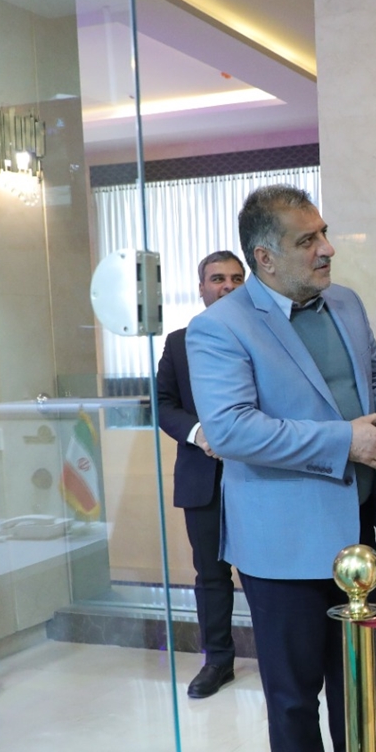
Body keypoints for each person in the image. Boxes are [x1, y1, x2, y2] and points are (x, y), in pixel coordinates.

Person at [186, 185, 376, 752]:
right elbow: (232, 429)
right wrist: (345, 441)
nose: (326, 249)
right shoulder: (220, 328)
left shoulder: (344, 302)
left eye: (323, 232)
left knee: (360, 667)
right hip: (282, 541)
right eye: (307, 240)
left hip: (356, 528)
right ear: (265, 257)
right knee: (293, 689)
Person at [156, 250, 247, 699]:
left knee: (265, 576)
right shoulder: (179, 343)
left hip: (257, 478)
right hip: (202, 477)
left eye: (236, 278)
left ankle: (280, 658)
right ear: (201, 288)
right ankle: (218, 661)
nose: (227, 286)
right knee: (211, 576)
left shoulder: (267, 338)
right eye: (217, 278)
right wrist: (198, 433)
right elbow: (162, 404)